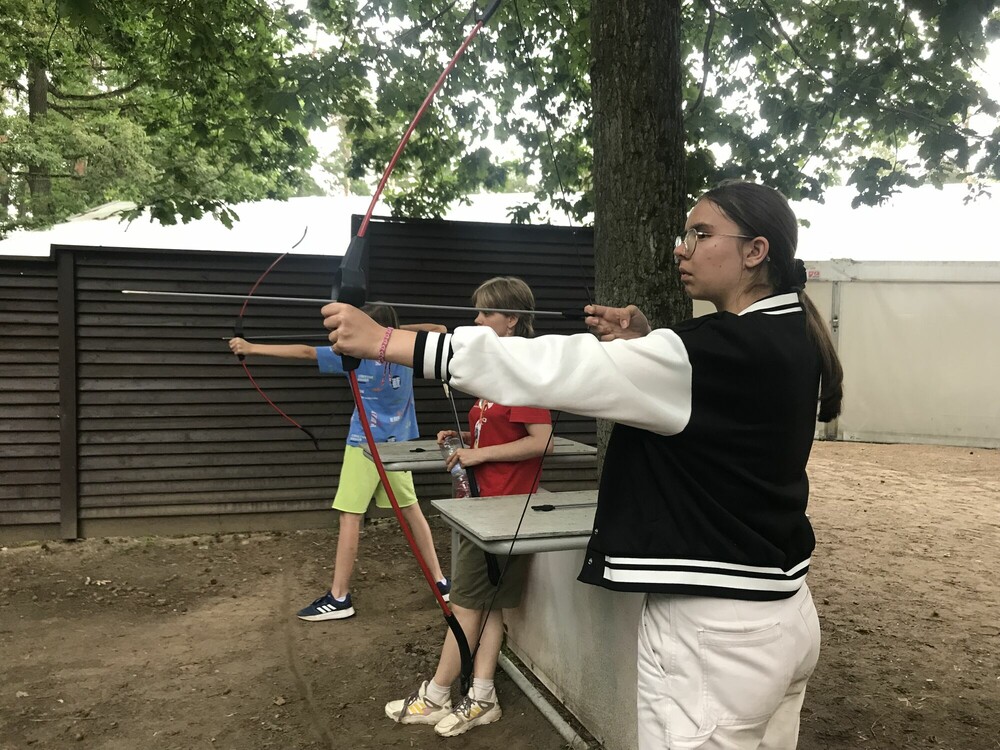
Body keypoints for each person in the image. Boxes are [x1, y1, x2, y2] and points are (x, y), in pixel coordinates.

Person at [321, 181, 844, 749]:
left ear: (755, 250)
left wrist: (387, 342)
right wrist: (646, 345)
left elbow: (552, 367)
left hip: (717, 631)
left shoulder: (711, 352)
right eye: (685, 233)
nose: (682, 248)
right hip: (781, 614)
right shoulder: (785, 333)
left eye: (701, 233)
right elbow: (719, 412)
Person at [380, 277, 553, 738]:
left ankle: (437, 694)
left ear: (512, 319)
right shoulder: (496, 370)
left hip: (504, 510)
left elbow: (541, 441)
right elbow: (500, 430)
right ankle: (482, 695)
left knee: (466, 605)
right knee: (487, 605)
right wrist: (464, 439)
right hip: (481, 506)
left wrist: (479, 455)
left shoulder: (523, 372)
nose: (476, 320)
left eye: (486, 312)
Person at [228, 304, 451, 622]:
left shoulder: (352, 355)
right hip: (397, 447)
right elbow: (439, 330)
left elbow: (305, 352)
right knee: (412, 512)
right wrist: (392, 331)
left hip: (364, 446)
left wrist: (251, 348)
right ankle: (440, 582)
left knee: (350, 518)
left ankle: (339, 597)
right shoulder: (407, 352)